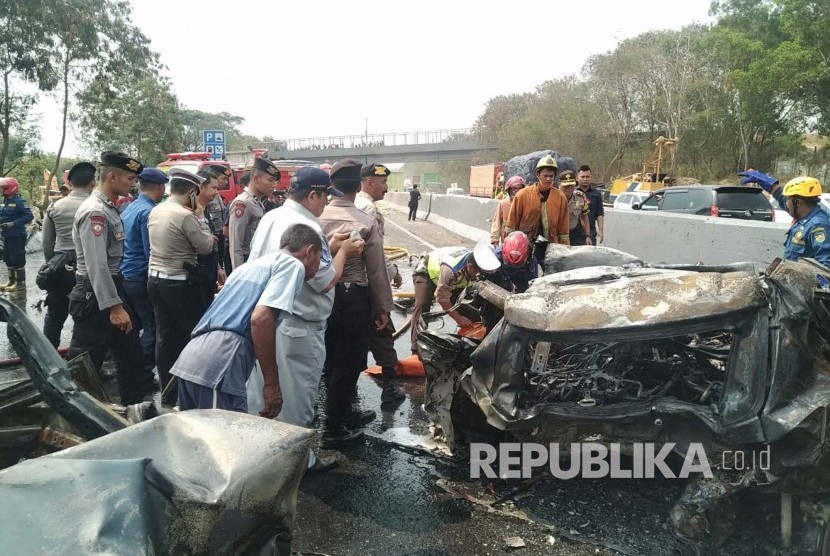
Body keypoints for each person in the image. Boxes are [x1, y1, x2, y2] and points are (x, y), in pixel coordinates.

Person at [249, 166, 363, 469]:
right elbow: (324, 280)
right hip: (299, 326)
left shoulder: (272, 216)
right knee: (298, 402)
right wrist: (344, 252)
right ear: (313, 195)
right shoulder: (306, 225)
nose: (326, 203)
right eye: (325, 196)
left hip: (270, 322)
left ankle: (266, 457)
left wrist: (331, 246)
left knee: (266, 398)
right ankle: (298, 464)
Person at [170, 223, 321, 416]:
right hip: (220, 362)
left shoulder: (250, 267)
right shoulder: (292, 265)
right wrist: (272, 384)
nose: (319, 267)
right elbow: (261, 319)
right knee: (226, 442)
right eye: (320, 257)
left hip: (193, 356)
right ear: (309, 251)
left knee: (196, 441)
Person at [319, 159, 394, 446]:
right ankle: (333, 428)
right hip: (353, 297)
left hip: (323, 295)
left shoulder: (317, 219)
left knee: (331, 360)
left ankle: (342, 413)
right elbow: (376, 271)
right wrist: (381, 308)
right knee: (350, 364)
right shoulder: (365, 221)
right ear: (358, 186)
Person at [68, 151, 152, 405]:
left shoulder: (109, 208)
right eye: (129, 178)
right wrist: (114, 306)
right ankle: (78, 417)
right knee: (84, 366)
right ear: (112, 176)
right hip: (95, 294)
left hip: (111, 289)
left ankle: (134, 412)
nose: (133, 183)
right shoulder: (96, 212)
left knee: (130, 357)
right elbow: (97, 266)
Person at [147, 168, 216, 404]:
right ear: (191, 193)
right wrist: (201, 217)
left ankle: (168, 393)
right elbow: (206, 246)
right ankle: (192, 394)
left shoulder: (157, 210)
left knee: (165, 338)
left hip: (155, 280)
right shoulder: (186, 215)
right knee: (193, 337)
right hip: (179, 283)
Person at [355, 162, 406, 404]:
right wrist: (393, 272)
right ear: (368, 182)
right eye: (383, 182)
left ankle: (347, 394)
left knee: (349, 340)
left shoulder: (352, 204)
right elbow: (374, 254)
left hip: (349, 287)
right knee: (383, 333)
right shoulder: (368, 210)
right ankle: (389, 388)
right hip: (368, 283)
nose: (386, 187)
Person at [410, 241, 501, 354]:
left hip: (456, 281)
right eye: (479, 273)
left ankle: (469, 339)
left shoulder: (476, 263)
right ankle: (415, 350)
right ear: (470, 266)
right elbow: (442, 299)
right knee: (422, 306)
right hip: (427, 273)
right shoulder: (451, 270)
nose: (481, 275)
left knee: (467, 310)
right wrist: (458, 318)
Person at [41, 162, 95, 347]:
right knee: (85, 317)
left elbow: (47, 243)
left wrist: (53, 264)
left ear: (69, 182)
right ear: (92, 182)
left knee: (55, 315)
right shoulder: (96, 206)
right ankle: (80, 362)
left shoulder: (55, 207)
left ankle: (47, 358)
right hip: (87, 269)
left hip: (61, 265)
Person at [120, 167, 168, 377]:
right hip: (141, 276)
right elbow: (152, 251)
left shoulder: (130, 208)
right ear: (159, 187)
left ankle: (134, 369)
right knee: (153, 327)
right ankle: (142, 372)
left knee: (139, 325)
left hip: (128, 274)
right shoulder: (148, 212)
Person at [747, 175, 830, 267]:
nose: (786, 204)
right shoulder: (804, 216)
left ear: (797, 203)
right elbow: (782, 198)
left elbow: (826, 267)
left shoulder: (818, 225)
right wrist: (770, 184)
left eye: (788, 200)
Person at [505, 155, 570, 269]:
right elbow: (512, 223)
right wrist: (509, 244)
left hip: (550, 246)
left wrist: (564, 248)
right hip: (525, 244)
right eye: (545, 176)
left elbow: (563, 227)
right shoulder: (523, 195)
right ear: (537, 174)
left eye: (551, 176)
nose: (548, 179)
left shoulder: (560, 197)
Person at [228, 158, 279, 270]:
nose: (274, 185)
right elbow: (236, 246)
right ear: (255, 178)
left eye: (275, 181)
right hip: (247, 262)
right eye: (270, 180)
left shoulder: (256, 202)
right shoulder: (242, 203)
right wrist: (240, 276)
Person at [195, 169, 226, 310]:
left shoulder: (207, 210)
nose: (216, 192)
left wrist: (218, 267)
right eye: (213, 187)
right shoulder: (192, 212)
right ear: (201, 186)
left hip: (210, 270)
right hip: (198, 274)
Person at [0, 177, 34, 292]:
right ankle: (11, 281)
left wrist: (13, 223)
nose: (1, 190)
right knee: (8, 258)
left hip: (17, 235)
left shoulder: (19, 201)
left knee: (17, 258)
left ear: (10, 188)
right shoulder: (5, 202)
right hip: (7, 235)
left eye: (3, 188)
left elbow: (29, 216)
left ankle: (20, 283)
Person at [558, 170, 592, 246]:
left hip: (574, 233)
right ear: (559, 185)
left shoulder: (580, 197)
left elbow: (585, 217)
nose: (569, 188)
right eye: (566, 186)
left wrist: (588, 236)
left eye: (572, 185)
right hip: (557, 234)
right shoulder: (553, 198)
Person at [490, 175, 525, 245]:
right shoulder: (503, 204)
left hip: (523, 243)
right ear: (509, 190)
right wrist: (495, 240)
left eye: (519, 189)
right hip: (507, 243)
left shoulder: (527, 204)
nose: (517, 191)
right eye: (514, 188)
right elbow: (496, 223)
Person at [576, 165, 604, 244]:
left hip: (591, 232)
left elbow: (600, 213)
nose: (585, 179)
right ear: (577, 178)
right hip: (574, 233)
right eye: (582, 177)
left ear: (591, 177)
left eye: (587, 177)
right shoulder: (573, 193)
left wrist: (601, 231)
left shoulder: (596, 194)